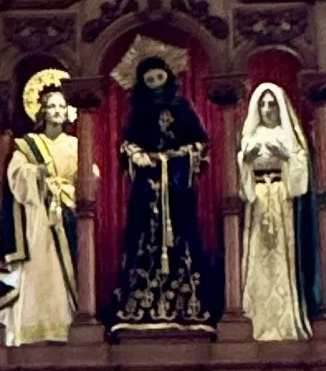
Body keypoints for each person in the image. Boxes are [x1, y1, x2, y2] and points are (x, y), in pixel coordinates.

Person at [112, 54, 218, 332]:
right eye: (150, 81)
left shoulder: (183, 107)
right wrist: (135, 155)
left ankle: (188, 304)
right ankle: (141, 304)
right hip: (148, 188)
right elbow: (126, 143)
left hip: (177, 185)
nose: (156, 85)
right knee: (144, 238)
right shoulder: (138, 111)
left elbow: (200, 142)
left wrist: (183, 155)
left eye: (159, 78)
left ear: (168, 77)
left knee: (183, 237)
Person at [2, 68, 78, 345]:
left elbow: (89, 176)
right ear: (42, 111)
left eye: (62, 106)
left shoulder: (76, 144)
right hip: (39, 216)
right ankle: (39, 327)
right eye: (52, 106)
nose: (57, 111)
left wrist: (78, 183)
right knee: (42, 268)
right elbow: (16, 175)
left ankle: (68, 322)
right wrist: (37, 175)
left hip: (69, 213)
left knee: (71, 270)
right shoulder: (28, 145)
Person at [237, 78, 312, 343]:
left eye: (272, 104)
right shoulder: (251, 136)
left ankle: (284, 321)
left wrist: (287, 157)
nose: (267, 109)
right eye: (263, 104)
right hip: (258, 201)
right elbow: (239, 178)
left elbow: (301, 179)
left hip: (281, 201)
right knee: (256, 257)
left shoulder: (287, 135)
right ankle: (256, 319)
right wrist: (245, 161)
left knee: (283, 258)